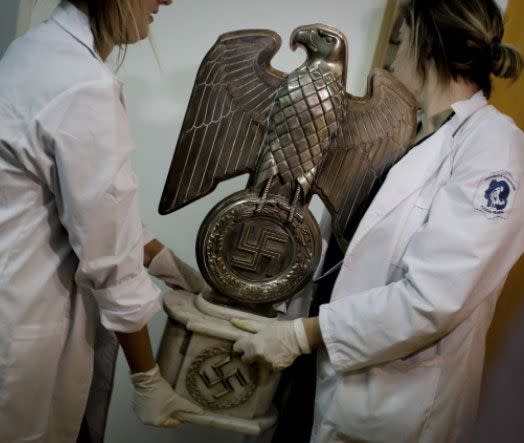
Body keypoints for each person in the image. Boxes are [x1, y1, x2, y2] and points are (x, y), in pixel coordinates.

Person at [232, 0, 524, 442]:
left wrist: (301, 335)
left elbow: (434, 299)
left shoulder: (495, 147)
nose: (393, 54)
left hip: (392, 400)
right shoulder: (417, 133)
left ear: (425, 42)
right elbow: (350, 259)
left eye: (400, 39)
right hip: (317, 368)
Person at [0, 1, 207, 442]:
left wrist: (164, 260)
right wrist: (147, 377)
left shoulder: (34, 50)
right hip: (26, 325)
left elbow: (83, 207)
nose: (167, 0)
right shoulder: (82, 84)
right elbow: (108, 256)